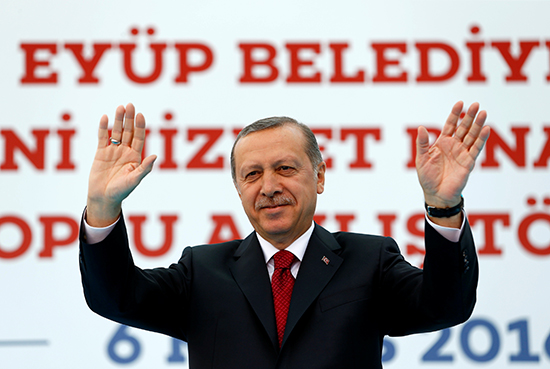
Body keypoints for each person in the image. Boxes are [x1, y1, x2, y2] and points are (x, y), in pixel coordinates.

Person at [80, 101, 490, 369]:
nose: (269, 186)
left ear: (320, 176)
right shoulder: (202, 271)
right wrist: (102, 209)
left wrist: (443, 206)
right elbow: (115, 297)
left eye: (286, 168)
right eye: (252, 174)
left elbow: (446, 306)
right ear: (238, 189)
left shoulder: (370, 260)